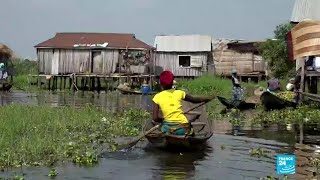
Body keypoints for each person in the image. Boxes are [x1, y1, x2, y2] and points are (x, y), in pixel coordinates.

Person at [152, 71, 215, 136]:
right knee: (191, 131)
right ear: (172, 82)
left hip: (167, 129)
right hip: (183, 129)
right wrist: (208, 98)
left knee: (162, 128)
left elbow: (155, 118)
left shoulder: (157, 97)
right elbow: (195, 100)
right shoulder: (180, 93)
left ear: (161, 83)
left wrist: (163, 120)